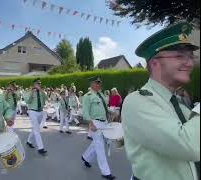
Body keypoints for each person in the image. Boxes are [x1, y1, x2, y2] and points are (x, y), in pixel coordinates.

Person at [121, 21, 200, 180]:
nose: (190, 63)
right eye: (179, 56)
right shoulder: (136, 102)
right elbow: (190, 145)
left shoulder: (177, 103)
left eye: (191, 56)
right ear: (155, 63)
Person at [81, 76, 116, 180]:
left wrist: (111, 112)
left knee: (98, 143)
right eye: (97, 83)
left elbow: (104, 108)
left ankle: (86, 157)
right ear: (91, 84)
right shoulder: (88, 96)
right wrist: (90, 123)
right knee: (100, 146)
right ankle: (106, 172)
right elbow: (85, 111)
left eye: (99, 83)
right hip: (95, 122)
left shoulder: (101, 95)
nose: (99, 84)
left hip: (104, 122)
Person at [26, 78, 48, 155]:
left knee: (35, 128)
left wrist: (41, 90)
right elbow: (27, 101)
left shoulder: (42, 92)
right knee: (37, 130)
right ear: (34, 84)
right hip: (33, 112)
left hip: (40, 112)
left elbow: (47, 98)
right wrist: (32, 92)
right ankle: (40, 148)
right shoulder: (30, 92)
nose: (39, 85)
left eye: (40, 83)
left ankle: (29, 141)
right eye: (38, 83)